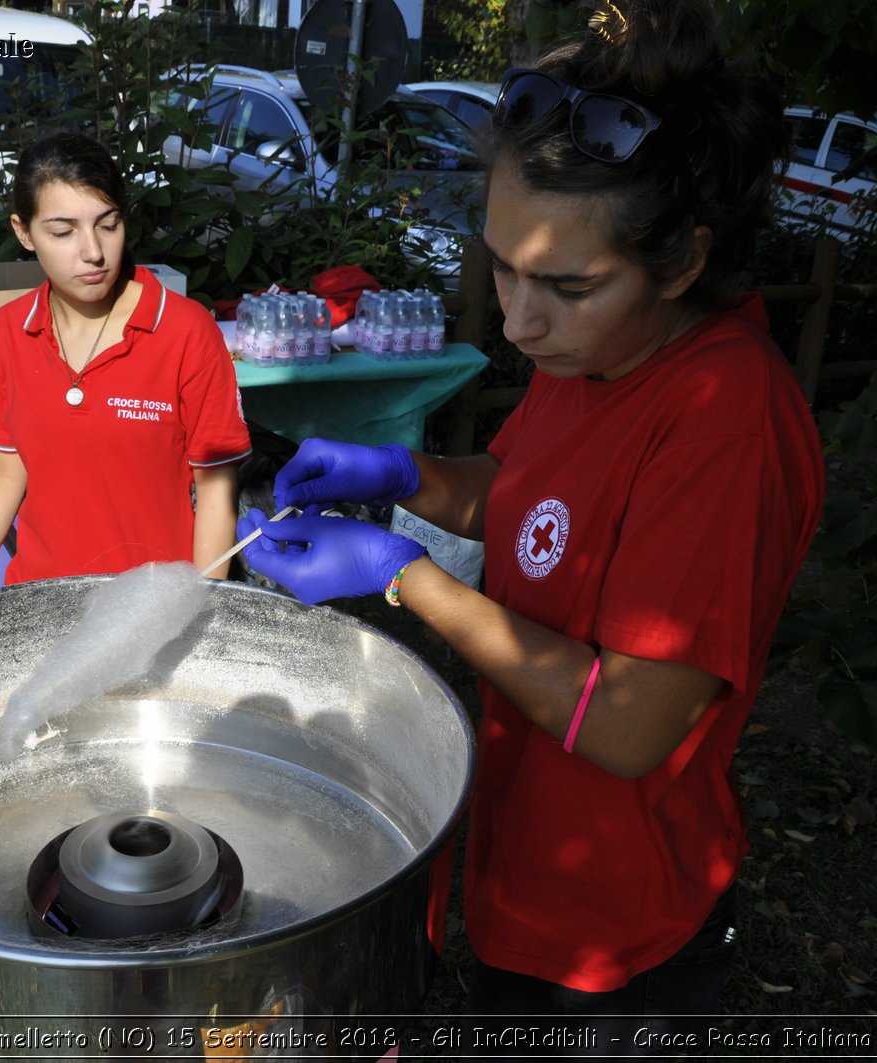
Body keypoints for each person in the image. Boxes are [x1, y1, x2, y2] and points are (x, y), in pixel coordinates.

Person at [235, 0, 824, 1049]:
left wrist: (404, 578)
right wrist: (406, 475)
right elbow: (531, 497)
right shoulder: (592, 352)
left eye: (565, 285)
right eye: (501, 265)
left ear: (684, 263)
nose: (516, 319)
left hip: (620, 934)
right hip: (527, 872)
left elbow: (629, 725)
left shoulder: (726, 417)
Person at [0, 133, 250, 598]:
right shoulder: (7, 332)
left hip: (152, 608)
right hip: (39, 600)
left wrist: (200, 606)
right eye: (62, 232)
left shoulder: (186, 332)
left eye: (108, 225)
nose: (93, 252)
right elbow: (5, 469)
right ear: (23, 232)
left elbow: (215, 487)